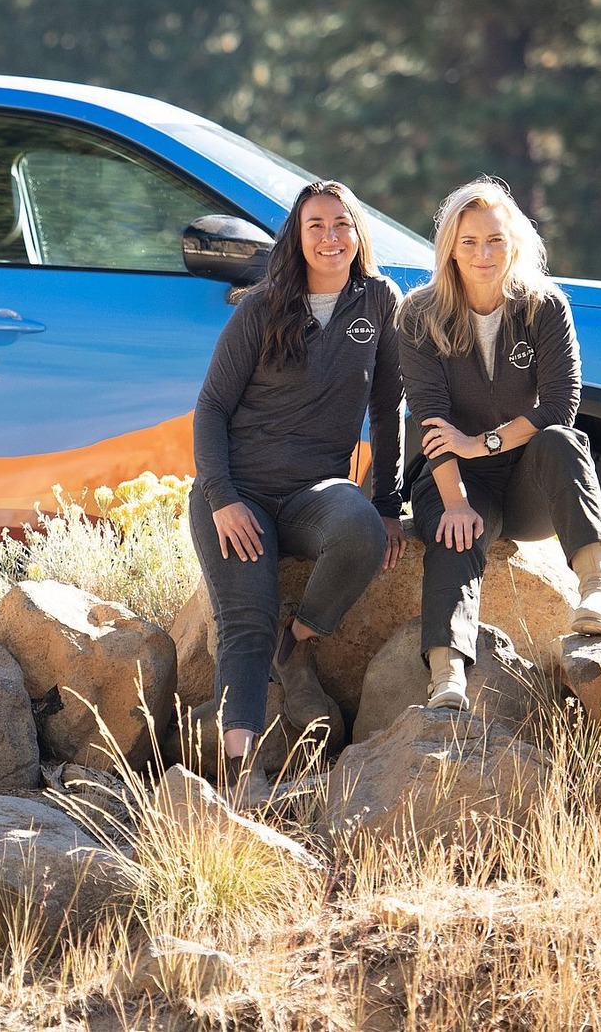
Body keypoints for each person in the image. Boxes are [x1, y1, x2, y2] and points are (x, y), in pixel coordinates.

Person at [190, 180, 406, 805]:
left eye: (342, 225)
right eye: (316, 226)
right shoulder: (261, 307)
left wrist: (389, 505)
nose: (331, 237)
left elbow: (388, 408)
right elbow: (209, 409)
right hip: (238, 493)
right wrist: (223, 496)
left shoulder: (379, 301)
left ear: (358, 233)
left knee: (360, 528)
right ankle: (241, 772)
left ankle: (299, 644)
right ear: (297, 236)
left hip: (315, 491)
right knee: (245, 619)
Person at [397, 177, 601, 712]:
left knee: (562, 440)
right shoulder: (418, 314)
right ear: (449, 249)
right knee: (455, 534)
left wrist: (484, 442)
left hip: (530, 483)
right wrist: (455, 501)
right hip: (456, 475)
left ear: (516, 242)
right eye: (469, 242)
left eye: (495, 240)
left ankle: (596, 587)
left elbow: (559, 405)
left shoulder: (545, 307)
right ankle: (447, 671)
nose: (483, 254)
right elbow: (430, 417)